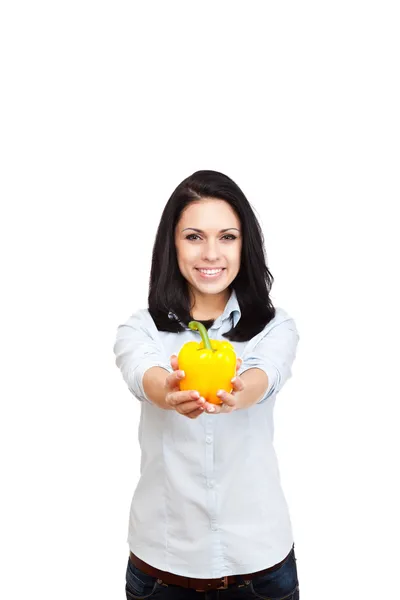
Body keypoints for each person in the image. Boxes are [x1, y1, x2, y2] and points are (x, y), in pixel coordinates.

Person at [113, 169, 300, 599]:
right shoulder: (139, 329)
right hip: (162, 568)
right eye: (194, 236)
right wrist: (170, 391)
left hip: (260, 566)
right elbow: (144, 374)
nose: (211, 253)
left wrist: (237, 392)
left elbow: (265, 374)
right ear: (172, 245)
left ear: (244, 245)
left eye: (227, 237)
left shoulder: (275, 327)